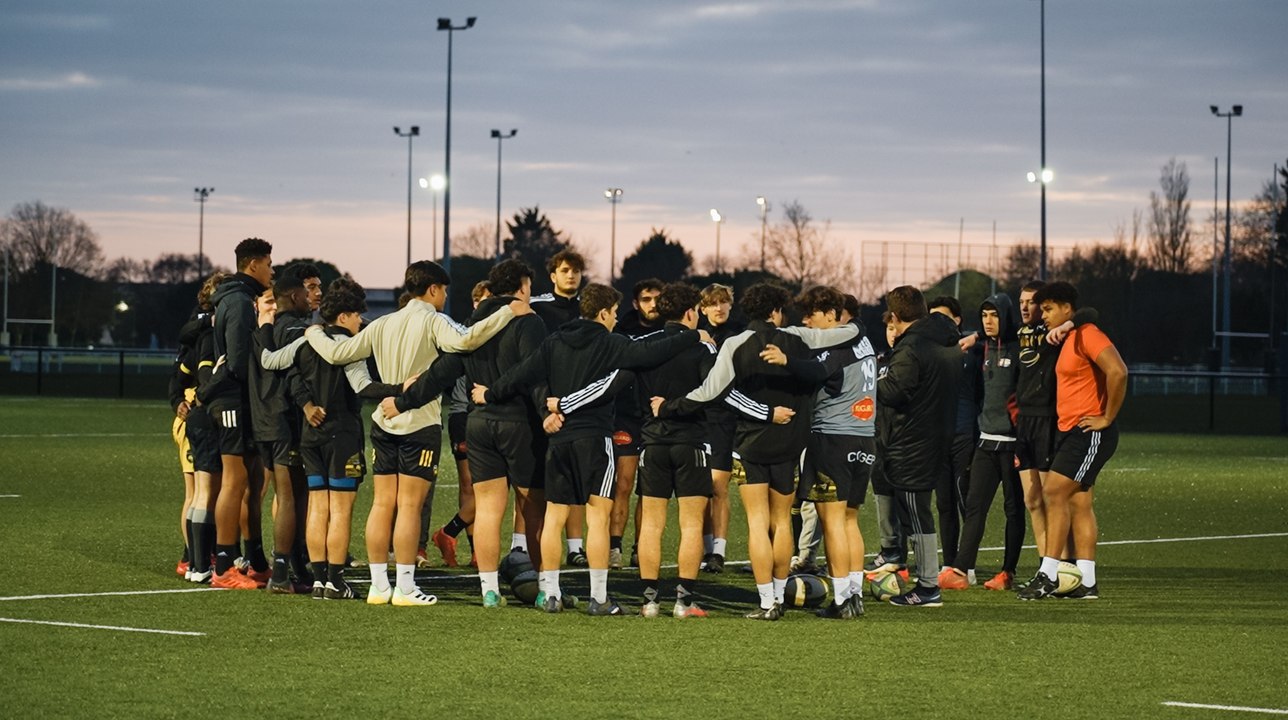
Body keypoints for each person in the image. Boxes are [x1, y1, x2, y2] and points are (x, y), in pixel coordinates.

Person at [304, 260, 525, 607]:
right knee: (409, 506)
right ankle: (405, 588)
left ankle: (379, 587)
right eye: (444, 291)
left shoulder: (383, 324)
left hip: (381, 422)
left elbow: (338, 352)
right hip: (419, 423)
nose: (445, 297)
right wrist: (506, 313)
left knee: (381, 504)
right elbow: (467, 341)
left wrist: (314, 330)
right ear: (434, 289)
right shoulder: (434, 320)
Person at [475, 283, 704, 616]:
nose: (614, 319)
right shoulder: (611, 343)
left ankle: (550, 594)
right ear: (603, 313)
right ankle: (599, 598)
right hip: (595, 438)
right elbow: (651, 354)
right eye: (613, 314)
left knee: (554, 517)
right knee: (598, 517)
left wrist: (490, 394)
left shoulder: (554, 342)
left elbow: (520, 375)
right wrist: (692, 336)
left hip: (558, 440)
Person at [657, 283, 859, 619]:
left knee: (757, 522)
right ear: (777, 310)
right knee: (782, 521)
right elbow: (849, 334)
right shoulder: (799, 337)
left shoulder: (736, 343)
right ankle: (780, 594)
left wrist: (668, 407)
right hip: (792, 443)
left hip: (751, 444)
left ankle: (768, 603)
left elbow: (710, 393)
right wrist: (858, 322)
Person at [290, 278, 401, 600]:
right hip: (342, 435)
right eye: (356, 316)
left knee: (317, 506)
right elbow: (363, 388)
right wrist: (400, 389)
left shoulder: (308, 343)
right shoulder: (350, 347)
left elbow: (292, 378)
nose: (360, 322)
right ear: (343, 318)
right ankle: (336, 581)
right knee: (340, 509)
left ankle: (320, 580)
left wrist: (307, 406)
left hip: (311, 435)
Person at [1018, 281, 1127, 600]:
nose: (1043, 314)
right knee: (1079, 503)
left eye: (1049, 308)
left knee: (1053, 491)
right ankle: (1087, 582)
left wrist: (1106, 417)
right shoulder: (1068, 334)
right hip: (1070, 430)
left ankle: (1048, 575)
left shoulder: (1088, 333)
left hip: (1089, 432)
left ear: (1067, 308)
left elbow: (1118, 372)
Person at [448, 260, 547, 607]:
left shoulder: (474, 321)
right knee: (534, 508)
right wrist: (547, 413)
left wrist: (406, 398)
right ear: (521, 284)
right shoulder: (527, 320)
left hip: (478, 422)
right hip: (518, 422)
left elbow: (450, 364)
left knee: (489, 509)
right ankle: (545, 589)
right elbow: (532, 373)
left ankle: (489, 590)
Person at [793, 285, 878, 619]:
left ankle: (842, 600)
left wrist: (787, 360)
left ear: (834, 315)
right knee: (850, 520)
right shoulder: (864, 341)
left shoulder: (837, 346)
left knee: (831, 524)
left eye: (813, 315)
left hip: (833, 439)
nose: (809, 323)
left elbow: (812, 374)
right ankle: (855, 595)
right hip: (865, 439)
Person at [632, 283, 715, 618]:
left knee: (651, 524)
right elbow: (712, 392)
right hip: (690, 441)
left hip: (651, 443)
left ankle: (650, 601)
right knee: (691, 524)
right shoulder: (703, 348)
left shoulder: (644, 346)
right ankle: (684, 601)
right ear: (690, 312)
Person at [878, 285, 961, 608]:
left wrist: (872, 383)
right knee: (918, 510)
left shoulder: (912, 346)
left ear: (896, 317)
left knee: (916, 511)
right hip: (938, 433)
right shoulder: (947, 337)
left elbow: (896, 391)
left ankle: (928, 586)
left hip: (913, 438)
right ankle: (925, 581)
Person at [201, 238, 274, 590]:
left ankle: (256, 561)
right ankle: (224, 565)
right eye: (269, 265)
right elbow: (239, 359)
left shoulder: (238, 298)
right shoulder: (240, 302)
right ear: (254, 265)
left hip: (241, 400)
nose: (272, 272)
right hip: (232, 400)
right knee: (235, 481)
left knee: (253, 481)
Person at [940, 292, 1025, 591]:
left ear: (1005, 316)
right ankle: (961, 570)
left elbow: (1024, 400)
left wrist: (1023, 442)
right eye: (985, 315)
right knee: (975, 507)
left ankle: (1008, 572)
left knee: (1013, 509)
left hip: (1013, 444)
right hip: (986, 442)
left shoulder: (1018, 350)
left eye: (995, 315)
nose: (989, 321)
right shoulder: (980, 349)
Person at [250, 274, 314, 593]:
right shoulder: (292, 329)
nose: (313, 296)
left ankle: (298, 567)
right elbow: (291, 375)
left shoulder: (267, 328)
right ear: (292, 294)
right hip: (284, 420)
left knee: (296, 493)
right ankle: (279, 573)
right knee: (290, 495)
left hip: (266, 420)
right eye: (309, 290)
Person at [529, 249, 590, 567]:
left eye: (576, 270)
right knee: (534, 482)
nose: (571, 275)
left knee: (578, 478)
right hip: (542, 404)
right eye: (565, 270)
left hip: (581, 405)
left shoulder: (589, 310)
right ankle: (520, 545)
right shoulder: (535, 307)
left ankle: (576, 547)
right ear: (552, 275)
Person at [427, 280, 491, 568]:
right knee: (472, 485)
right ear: (475, 303)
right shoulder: (463, 333)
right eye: (482, 300)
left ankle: (450, 534)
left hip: (485, 415)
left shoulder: (498, 332)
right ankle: (474, 548)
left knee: (486, 485)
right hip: (464, 415)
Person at [608, 278, 664, 569]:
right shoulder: (622, 331)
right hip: (626, 415)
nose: (653, 304)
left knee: (650, 488)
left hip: (658, 418)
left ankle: (641, 548)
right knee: (623, 483)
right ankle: (613, 547)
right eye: (646, 299)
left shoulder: (671, 327)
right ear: (635, 303)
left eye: (657, 298)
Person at [928, 295, 982, 584]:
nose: (938, 322)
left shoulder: (972, 351)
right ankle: (949, 564)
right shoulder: (929, 350)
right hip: (938, 436)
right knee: (944, 503)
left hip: (964, 433)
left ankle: (967, 566)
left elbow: (981, 392)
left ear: (958, 320)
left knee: (965, 500)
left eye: (944, 316)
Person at [695, 283, 744, 573]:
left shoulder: (739, 334)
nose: (719, 307)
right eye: (713, 303)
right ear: (702, 308)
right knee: (701, 489)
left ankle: (719, 552)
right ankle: (704, 547)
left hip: (727, 419)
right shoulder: (695, 333)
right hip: (700, 419)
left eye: (723, 302)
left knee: (719, 487)